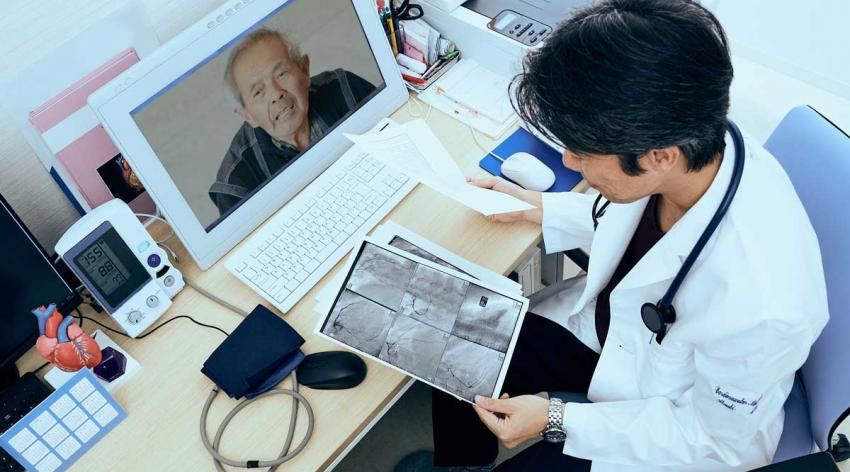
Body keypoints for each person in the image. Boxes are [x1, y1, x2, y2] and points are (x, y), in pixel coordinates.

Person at [396, 0, 828, 471]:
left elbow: (716, 444)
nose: (567, 165)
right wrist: (544, 207)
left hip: (668, 426)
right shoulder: (689, 137)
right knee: (452, 345)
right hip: (609, 335)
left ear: (659, 156)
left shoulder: (763, 304)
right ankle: (460, 464)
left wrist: (558, 419)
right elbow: (635, 225)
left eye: (582, 153)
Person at [209, 28, 377, 215]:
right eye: (258, 91)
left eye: (281, 74)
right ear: (247, 115)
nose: (275, 93)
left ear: (304, 70)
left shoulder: (346, 90)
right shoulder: (237, 182)